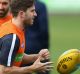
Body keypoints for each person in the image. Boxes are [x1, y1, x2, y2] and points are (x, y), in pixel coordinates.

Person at [0, 0, 53, 74]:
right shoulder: (12, 37)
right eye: (32, 11)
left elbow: (16, 55)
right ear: (22, 14)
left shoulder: (13, 27)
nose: (35, 14)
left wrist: (38, 57)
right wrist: (32, 68)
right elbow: (4, 70)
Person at [25, 0, 49, 74]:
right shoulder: (41, 5)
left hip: (22, 46)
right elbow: (44, 29)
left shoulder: (21, 4)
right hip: (38, 47)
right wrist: (46, 46)